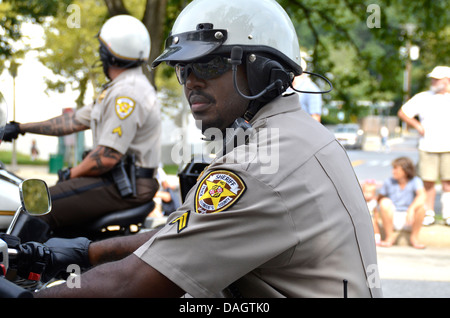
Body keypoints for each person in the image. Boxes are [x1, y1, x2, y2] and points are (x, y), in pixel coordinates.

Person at [28, 0, 381, 298]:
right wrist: (85, 251)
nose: (192, 81)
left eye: (209, 64)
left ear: (260, 69)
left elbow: (130, 284)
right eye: (183, 68)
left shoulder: (256, 167)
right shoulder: (297, 134)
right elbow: (182, 235)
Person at [2, 15, 161, 237]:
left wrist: (71, 173)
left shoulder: (127, 93)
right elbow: (70, 122)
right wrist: (19, 128)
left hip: (124, 187)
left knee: (35, 204)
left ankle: (11, 267)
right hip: (117, 182)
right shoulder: (120, 89)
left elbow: (107, 157)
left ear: (106, 54)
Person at [398, 66, 450, 226]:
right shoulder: (423, 97)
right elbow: (403, 112)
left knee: (448, 182)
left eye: (437, 79)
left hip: (448, 146)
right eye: (432, 78)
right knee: (428, 182)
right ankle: (429, 213)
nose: (433, 81)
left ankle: (448, 214)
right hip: (428, 146)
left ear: (446, 80)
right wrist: (417, 125)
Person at [378, 157, 426, 249]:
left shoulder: (415, 181)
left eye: (396, 169)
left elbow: (422, 196)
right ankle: (389, 236)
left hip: (409, 217)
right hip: (393, 215)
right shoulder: (389, 182)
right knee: (384, 202)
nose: (393, 171)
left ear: (405, 170)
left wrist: (411, 209)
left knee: (421, 207)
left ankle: (414, 237)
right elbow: (380, 199)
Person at [362, 179, 381, 245]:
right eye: (365, 192)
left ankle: (377, 237)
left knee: (374, 224)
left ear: (374, 194)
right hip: (364, 217)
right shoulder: (362, 202)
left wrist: (376, 219)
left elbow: (376, 212)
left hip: (371, 217)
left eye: (370, 193)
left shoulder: (373, 202)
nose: (367, 195)